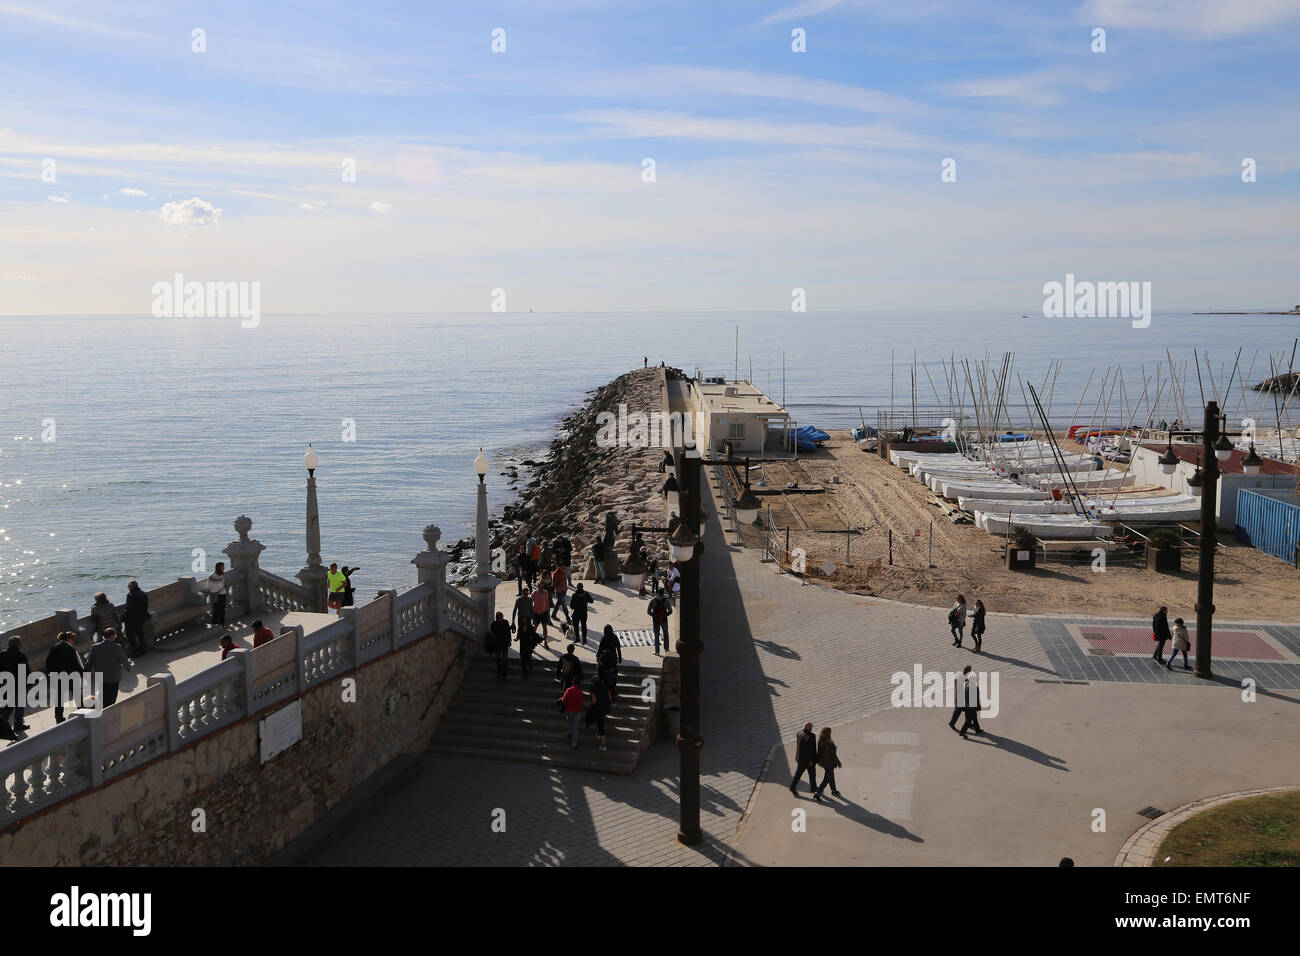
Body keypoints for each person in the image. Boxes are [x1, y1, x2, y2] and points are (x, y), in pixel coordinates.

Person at [85, 628, 132, 708]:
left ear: (103, 636)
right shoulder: (117, 647)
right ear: (113, 636)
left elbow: (90, 662)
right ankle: (107, 711)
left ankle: (101, 709)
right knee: (112, 698)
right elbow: (124, 660)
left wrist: (86, 673)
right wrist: (128, 668)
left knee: (102, 695)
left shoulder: (94, 647)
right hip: (113, 677)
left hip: (100, 677)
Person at [45, 630, 84, 723]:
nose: (73, 641)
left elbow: (48, 662)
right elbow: (75, 664)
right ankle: (82, 711)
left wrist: (51, 672)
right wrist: (83, 674)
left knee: (59, 698)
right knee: (77, 695)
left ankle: (59, 717)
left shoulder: (54, 647)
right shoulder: (70, 649)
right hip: (70, 676)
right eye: (73, 639)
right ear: (70, 639)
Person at [0, 635, 30, 735]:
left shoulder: (2, 654)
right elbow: (26, 672)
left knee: (7, 707)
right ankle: (18, 725)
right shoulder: (21, 656)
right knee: (19, 706)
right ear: (18, 644)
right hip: (18, 685)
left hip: (5, 685)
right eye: (20, 642)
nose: (22, 643)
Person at [813, 727, 842, 801]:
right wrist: (838, 763)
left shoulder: (821, 739)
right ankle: (818, 792)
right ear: (828, 733)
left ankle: (833, 790)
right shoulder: (829, 743)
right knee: (827, 779)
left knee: (831, 776)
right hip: (829, 763)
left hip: (824, 762)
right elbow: (833, 755)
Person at [789, 722, 819, 796]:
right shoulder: (811, 736)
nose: (812, 728)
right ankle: (813, 788)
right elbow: (811, 750)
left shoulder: (799, 733)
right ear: (808, 727)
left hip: (800, 759)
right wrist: (812, 761)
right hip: (808, 761)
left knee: (798, 775)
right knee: (812, 775)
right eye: (811, 726)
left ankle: (792, 787)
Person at [123, 580, 150, 656]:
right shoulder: (143, 593)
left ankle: (135, 652)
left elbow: (129, 609)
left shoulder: (131, 595)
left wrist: (124, 616)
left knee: (131, 636)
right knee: (140, 634)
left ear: (131, 587)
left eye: (128, 586)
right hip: (141, 617)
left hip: (132, 619)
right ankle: (143, 650)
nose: (128, 587)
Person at [586, 674, 612, 752]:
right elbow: (610, 697)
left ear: (593, 682)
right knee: (599, 720)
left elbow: (594, 701)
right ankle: (598, 734)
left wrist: (589, 706)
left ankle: (603, 745)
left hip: (598, 709)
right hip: (606, 708)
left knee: (601, 727)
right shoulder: (605, 686)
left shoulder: (592, 689)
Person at [957, 665, 982, 738]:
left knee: (974, 717)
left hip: (966, 705)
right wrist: (978, 705)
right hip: (971, 706)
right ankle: (962, 732)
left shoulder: (966, 684)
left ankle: (977, 729)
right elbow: (975, 698)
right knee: (968, 721)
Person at [560, 679, 585, 749]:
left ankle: (569, 732)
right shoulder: (580, 692)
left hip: (569, 710)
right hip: (577, 712)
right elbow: (581, 703)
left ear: (572, 683)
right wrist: (577, 710)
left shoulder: (568, 690)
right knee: (575, 728)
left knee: (569, 721)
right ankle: (574, 744)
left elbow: (563, 700)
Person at [647, 588, 673, 654]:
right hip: (664, 620)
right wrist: (665, 615)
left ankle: (657, 651)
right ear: (663, 593)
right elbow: (670, 611)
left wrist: (653, 615)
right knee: (666, 634)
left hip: (656, 620)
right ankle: (666, 649)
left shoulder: (653, 600)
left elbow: (648, 611)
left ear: (657, 593)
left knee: (656, 635)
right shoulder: (667, 600)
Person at [489, 611, 513, 680]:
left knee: (505, 659)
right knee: (497, 659)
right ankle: (499, 673)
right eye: (500, 617)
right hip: (497, 644)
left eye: (502, 617)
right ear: (497, 618)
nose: (502, 618)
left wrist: (509, 641)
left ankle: (505, 674)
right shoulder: (494, 624)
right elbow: (492, 633)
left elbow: (508, 632)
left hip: (504, 643)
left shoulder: (505, 622)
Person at [551, 561, 572, 628]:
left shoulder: (564, 572)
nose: (563, 568)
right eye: (562, 567)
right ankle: (568, 618)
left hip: (564, 590)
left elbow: (565, 581)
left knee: (558, 603)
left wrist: (566, 587)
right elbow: (553, 583)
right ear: (559, 567)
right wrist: (557, 588)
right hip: (559, 591)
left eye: (563, 567)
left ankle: (553, 615)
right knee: (564, 604)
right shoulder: (555, 574)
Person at [207, 562, 227, 626]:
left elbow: (222, 583)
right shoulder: (211, 576)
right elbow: (208, 586)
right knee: (216, 610)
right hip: (216, 595)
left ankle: (221, 624)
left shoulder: (222, 574)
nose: (224, 568)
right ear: (219, 567)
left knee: (222, 610)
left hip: (223, 593)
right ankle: (214, 624)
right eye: (222, 566)